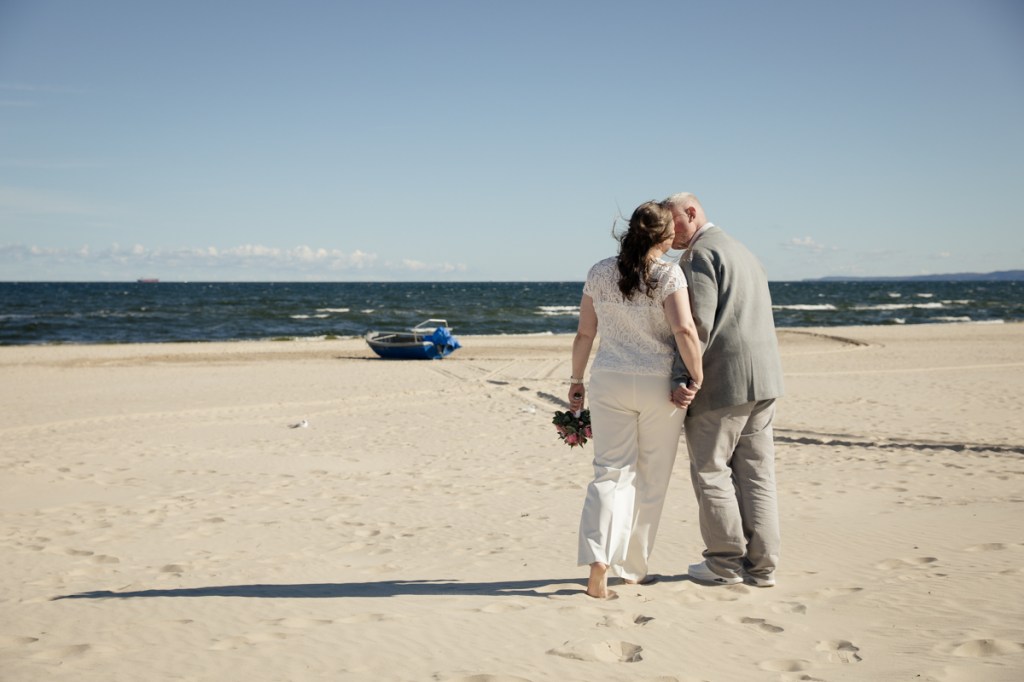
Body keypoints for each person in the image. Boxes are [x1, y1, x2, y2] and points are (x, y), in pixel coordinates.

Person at [570, 200, 704, 599]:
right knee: (651, 478)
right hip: (657, 384)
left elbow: (584, 335)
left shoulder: (599, 271)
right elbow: (683, 329)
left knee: (610, 474)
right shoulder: (668, 274)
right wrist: (697, 375)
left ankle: (599, 563)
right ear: (665, 236)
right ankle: (632, 570)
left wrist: (576, 379)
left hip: (608, 379)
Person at [664, 192, 785, 588]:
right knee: (756, 474)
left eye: (673, 222)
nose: (669, 232)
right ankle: (762, 567)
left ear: (691, 213)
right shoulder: (744, 252)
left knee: (711, 471)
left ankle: (723, 563)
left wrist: (685, 378)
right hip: (764, 379)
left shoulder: (699, 256)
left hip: (722, 381)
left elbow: (696, 326)